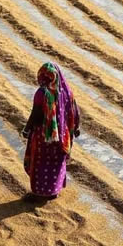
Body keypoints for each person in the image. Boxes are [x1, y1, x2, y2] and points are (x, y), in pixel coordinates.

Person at [21, 62, 80, 201]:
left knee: (40, 162)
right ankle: (53, 191)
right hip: (62, 136)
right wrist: (76, 127)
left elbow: (36, 113)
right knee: (56, 163)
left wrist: (26, 129)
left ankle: (39, 194)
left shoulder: (42, 93)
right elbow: (75, 112)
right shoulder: (66, 91)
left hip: (44, 136)